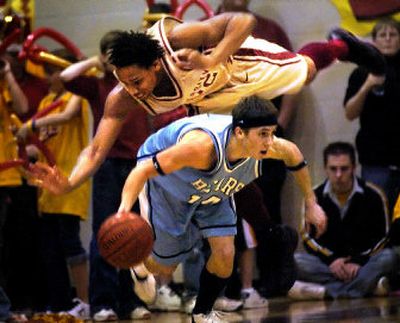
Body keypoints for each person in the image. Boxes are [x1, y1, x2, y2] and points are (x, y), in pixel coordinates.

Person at [111, 95, 327, 322]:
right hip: (169, 184)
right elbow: (142, 170)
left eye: (272, 133)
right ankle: (140, 267)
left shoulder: (269, 146)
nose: (270, 141)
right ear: (240, 133)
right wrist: (123, 212)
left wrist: (311, 203)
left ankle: (201, 313)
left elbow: (294, 155)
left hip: (211, 186)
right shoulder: (201, 147)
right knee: (165, 267)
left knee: (225, 256)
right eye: (263, 134)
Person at [58, 31, 152, 321]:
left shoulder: (139, 82)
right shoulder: (100, 85)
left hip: (139, 165)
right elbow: (66, 77)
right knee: (107, 234)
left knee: (134, 234)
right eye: (110, 54)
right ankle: (102, 304)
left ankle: (131, 302)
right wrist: (93, 61)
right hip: (108, 165)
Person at [17, 50, 92, 318]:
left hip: (70, 181)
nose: (47, 78)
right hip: (47, 186)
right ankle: (60, 301)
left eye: (51, 72)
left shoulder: (77, 97)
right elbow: (42, 142)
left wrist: (33, 124)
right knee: (50, 248)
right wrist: (31, 152)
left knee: (71, 243)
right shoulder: (47, 100)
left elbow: (65, 116)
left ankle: (84, 300)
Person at [290, 142, 398, 300]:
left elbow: (384, 237)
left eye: (344, 169)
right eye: (333, 169)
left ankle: (327, 292)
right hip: (329, 264)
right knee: (294, 261)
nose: (338, 175)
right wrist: (333, 260)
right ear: (325, 169)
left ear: (354, 168)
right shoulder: (313, 197)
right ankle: (368, 288)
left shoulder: (374, 195)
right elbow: (308, 238)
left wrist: (357, 261)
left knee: (390, 257)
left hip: (363, 263)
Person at [343, 17, 400, 211]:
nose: (387, 39)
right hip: (375, 160)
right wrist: (367, 86)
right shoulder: (361, 72)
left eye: (393, 34)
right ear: (374, 41)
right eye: (382, 35)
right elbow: (350, 113)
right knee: (377, 214)